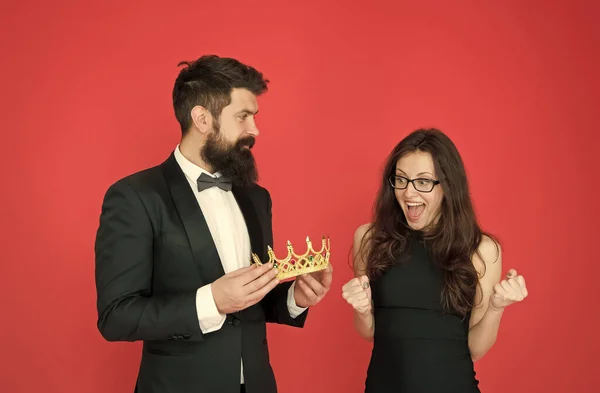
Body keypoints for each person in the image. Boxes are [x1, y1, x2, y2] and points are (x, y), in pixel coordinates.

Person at [94, 54, 333, 393]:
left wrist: (295, 297)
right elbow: (116, 317)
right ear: (202, 118)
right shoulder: (134, 197)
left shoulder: (256, 198)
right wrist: (211, 301)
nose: (255, 130)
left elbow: (251, 303)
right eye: (243, 117)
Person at [341, 128, 528, 392]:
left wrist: (496, 307)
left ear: (448, 186)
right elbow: (370, 332)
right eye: (401, 179)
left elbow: (476, 348)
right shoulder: (369, 239)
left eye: (424, 181)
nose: (409, 193)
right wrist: (361, 310)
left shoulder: (482, 249)